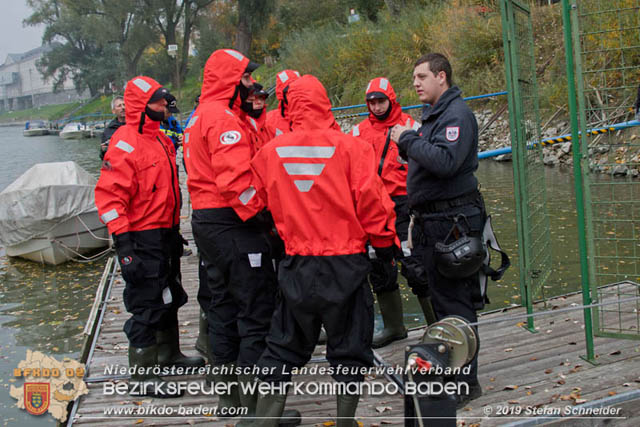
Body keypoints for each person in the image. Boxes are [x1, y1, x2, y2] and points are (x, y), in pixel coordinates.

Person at [250, 74, 398, 426]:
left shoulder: (270, 152)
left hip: (296, 264)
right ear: (325, 102)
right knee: (349, 348)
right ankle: (345, 422)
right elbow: (374, 206)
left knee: (282, 346)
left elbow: (255, 202)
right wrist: (385, 246)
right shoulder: (352, 148)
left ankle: (263, 421)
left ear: (288, 106)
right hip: (345, 264)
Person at [183, 49, 298, 422]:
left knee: (221, 307)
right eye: (246, 79)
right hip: (234, 223)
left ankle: (229, 398)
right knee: (255, 309)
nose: (252, 86)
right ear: (231, 80)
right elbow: (236, 183)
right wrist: (264, 215)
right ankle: (255, 408)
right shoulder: (223, 120)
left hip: (207, 221)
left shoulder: (200, 115)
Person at [95, 76, 204, 398]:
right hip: (140, 236)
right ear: (142, 106)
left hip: (164, 232)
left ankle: (169, 354)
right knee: (146, 305)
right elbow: (110, 198)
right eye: (157, 103)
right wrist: (124, 244)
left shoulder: (160, 139)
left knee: (171, 296)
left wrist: (173, 231)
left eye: (164, 102)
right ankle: (143, 375)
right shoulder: (124, 143)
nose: (164, 107)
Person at [390, 53, 486, 408]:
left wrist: (409, 139)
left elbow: (446, 162)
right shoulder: (436, 115)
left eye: (421, 76)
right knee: (444, 301)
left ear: (441, 77)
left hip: (452, 224)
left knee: (458, 304)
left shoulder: (456, 114)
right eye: (414, 77)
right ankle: (452, 372)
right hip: (435, 223)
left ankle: (465, 383)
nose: (415, 83)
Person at [350, 77, 432, 348]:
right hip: (372, 204)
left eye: (380, 101)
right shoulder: (357, 132)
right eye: (371, 102)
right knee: (378, 266)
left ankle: (437, 325)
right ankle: (395, 326)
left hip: (404, 203)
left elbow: (427, 163)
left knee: (415, 265)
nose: (376, 107)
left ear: (391, 99)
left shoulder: (411, 127)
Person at [264, 69, 300, 139]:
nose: (295, 93)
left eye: (299, 88)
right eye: (290, 90)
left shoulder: (312, 113)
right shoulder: (270, 120)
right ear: (282, 94)